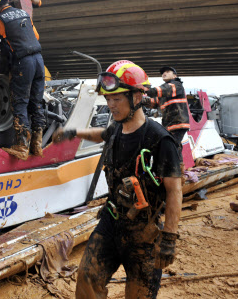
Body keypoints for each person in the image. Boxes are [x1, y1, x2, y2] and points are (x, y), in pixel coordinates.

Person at [53, 60, 183, 298]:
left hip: (144, 233)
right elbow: (101, 134)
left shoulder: (160, 140)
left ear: (136, 97)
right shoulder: (117, 129)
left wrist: (170, 238)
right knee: (87, 279)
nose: (111, 105)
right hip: (111, 223)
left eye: (117, 99)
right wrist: (73, 132)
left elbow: (174, 189)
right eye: (108, 100)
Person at [0, 0, 45, 160]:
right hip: (38, 60)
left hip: (23, 63)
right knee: (36, 102)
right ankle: (37, 145)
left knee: (20, 103)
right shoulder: (24, 14)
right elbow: (36, 36)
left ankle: (22, 147)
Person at [142, 66, 190, 155]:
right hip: (169, 124)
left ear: (174, 76)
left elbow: (163, 89)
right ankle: (178, 166)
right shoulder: (164, 93)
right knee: (175, 146)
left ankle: (175, 166)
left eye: (168, 72)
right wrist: (140, 100)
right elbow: (153, 102)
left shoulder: (177, 85)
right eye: (163, 72)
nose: (164, 73)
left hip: (178, 123)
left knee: (171, 146)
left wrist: (146, 90)